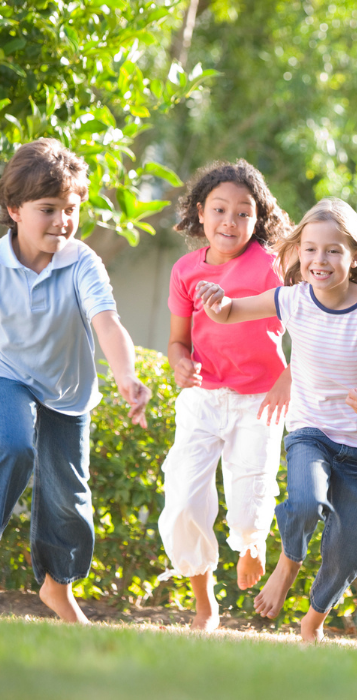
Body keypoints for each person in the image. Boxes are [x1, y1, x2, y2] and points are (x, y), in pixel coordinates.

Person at [196, 197, 357, 642]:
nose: (318, 260)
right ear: (297, 252)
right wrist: (216, 301)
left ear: (356, 256)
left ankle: (312, 623)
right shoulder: (294, 300)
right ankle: (288, 563)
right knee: (304, 502)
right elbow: (230, 311)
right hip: (311, 431)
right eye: (309, 249)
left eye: (332, 251)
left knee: (347, 555)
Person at [0, 138, 151, 623]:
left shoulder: (82, 261)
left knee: (69, 498)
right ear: (14, 209)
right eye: (49, 209)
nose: (63, 221)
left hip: (67, 392)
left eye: (71, 209)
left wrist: (126, 377)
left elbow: (107, 322)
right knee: (14, 445)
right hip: (10, 378)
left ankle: (56, 588)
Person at [157, 160, 294, 631]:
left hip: (261, 399)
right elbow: (178, 340)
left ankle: (252, 543)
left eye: (243, 213)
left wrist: (288, 377)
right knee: (184, 499)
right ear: (201, 212)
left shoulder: (272, 266)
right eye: (219, 210)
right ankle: (204, 604)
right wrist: (179, 362)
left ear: (259, 220)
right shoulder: (185, 271)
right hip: (204, 397)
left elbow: (312, 325)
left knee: (249, 493)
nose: (229, 222)